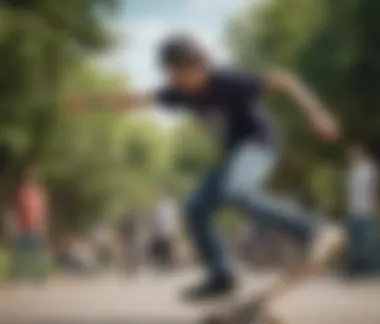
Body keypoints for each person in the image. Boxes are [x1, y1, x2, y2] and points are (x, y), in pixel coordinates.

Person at [70, 33, 345, 301]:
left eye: (177, 73)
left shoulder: (227, 80)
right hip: (236, 154)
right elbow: (137, 99)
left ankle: (312, 229)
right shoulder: (177, 93)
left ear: (197, 66)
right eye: (169, 74)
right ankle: (222, 277)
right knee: (195, 209)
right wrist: (89, 103)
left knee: (235, 191)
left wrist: (316, 113)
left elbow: (285, 81)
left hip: (260, 144)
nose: (172, 80)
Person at [346, 143, 378, 277]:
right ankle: (353, 271)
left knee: (367, 242)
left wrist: (376, 206)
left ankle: (375, 269)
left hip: (366, 211)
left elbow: (375, 188)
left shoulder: (369, 169)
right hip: (353, 211)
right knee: (353, 243)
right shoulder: (352, 170)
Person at [11, 166, 48, 279]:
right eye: (28, 178)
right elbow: (16, 210)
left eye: (32, 178)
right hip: (24, 226)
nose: (31, 180)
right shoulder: (22, 193)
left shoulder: (39, 194)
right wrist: (15, 225)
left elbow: (43, 211)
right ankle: (16, 274)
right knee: (20, 252)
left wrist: (43, 225)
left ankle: (39, 274)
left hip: (36, 227)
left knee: (38, 252)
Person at [151, 193, 180, 268]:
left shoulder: (168, 207)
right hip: (165, 231)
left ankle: (172, 262)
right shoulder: (165, 207)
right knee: (166, 248)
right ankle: (168, 263)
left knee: (170, 247)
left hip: (167, 231)